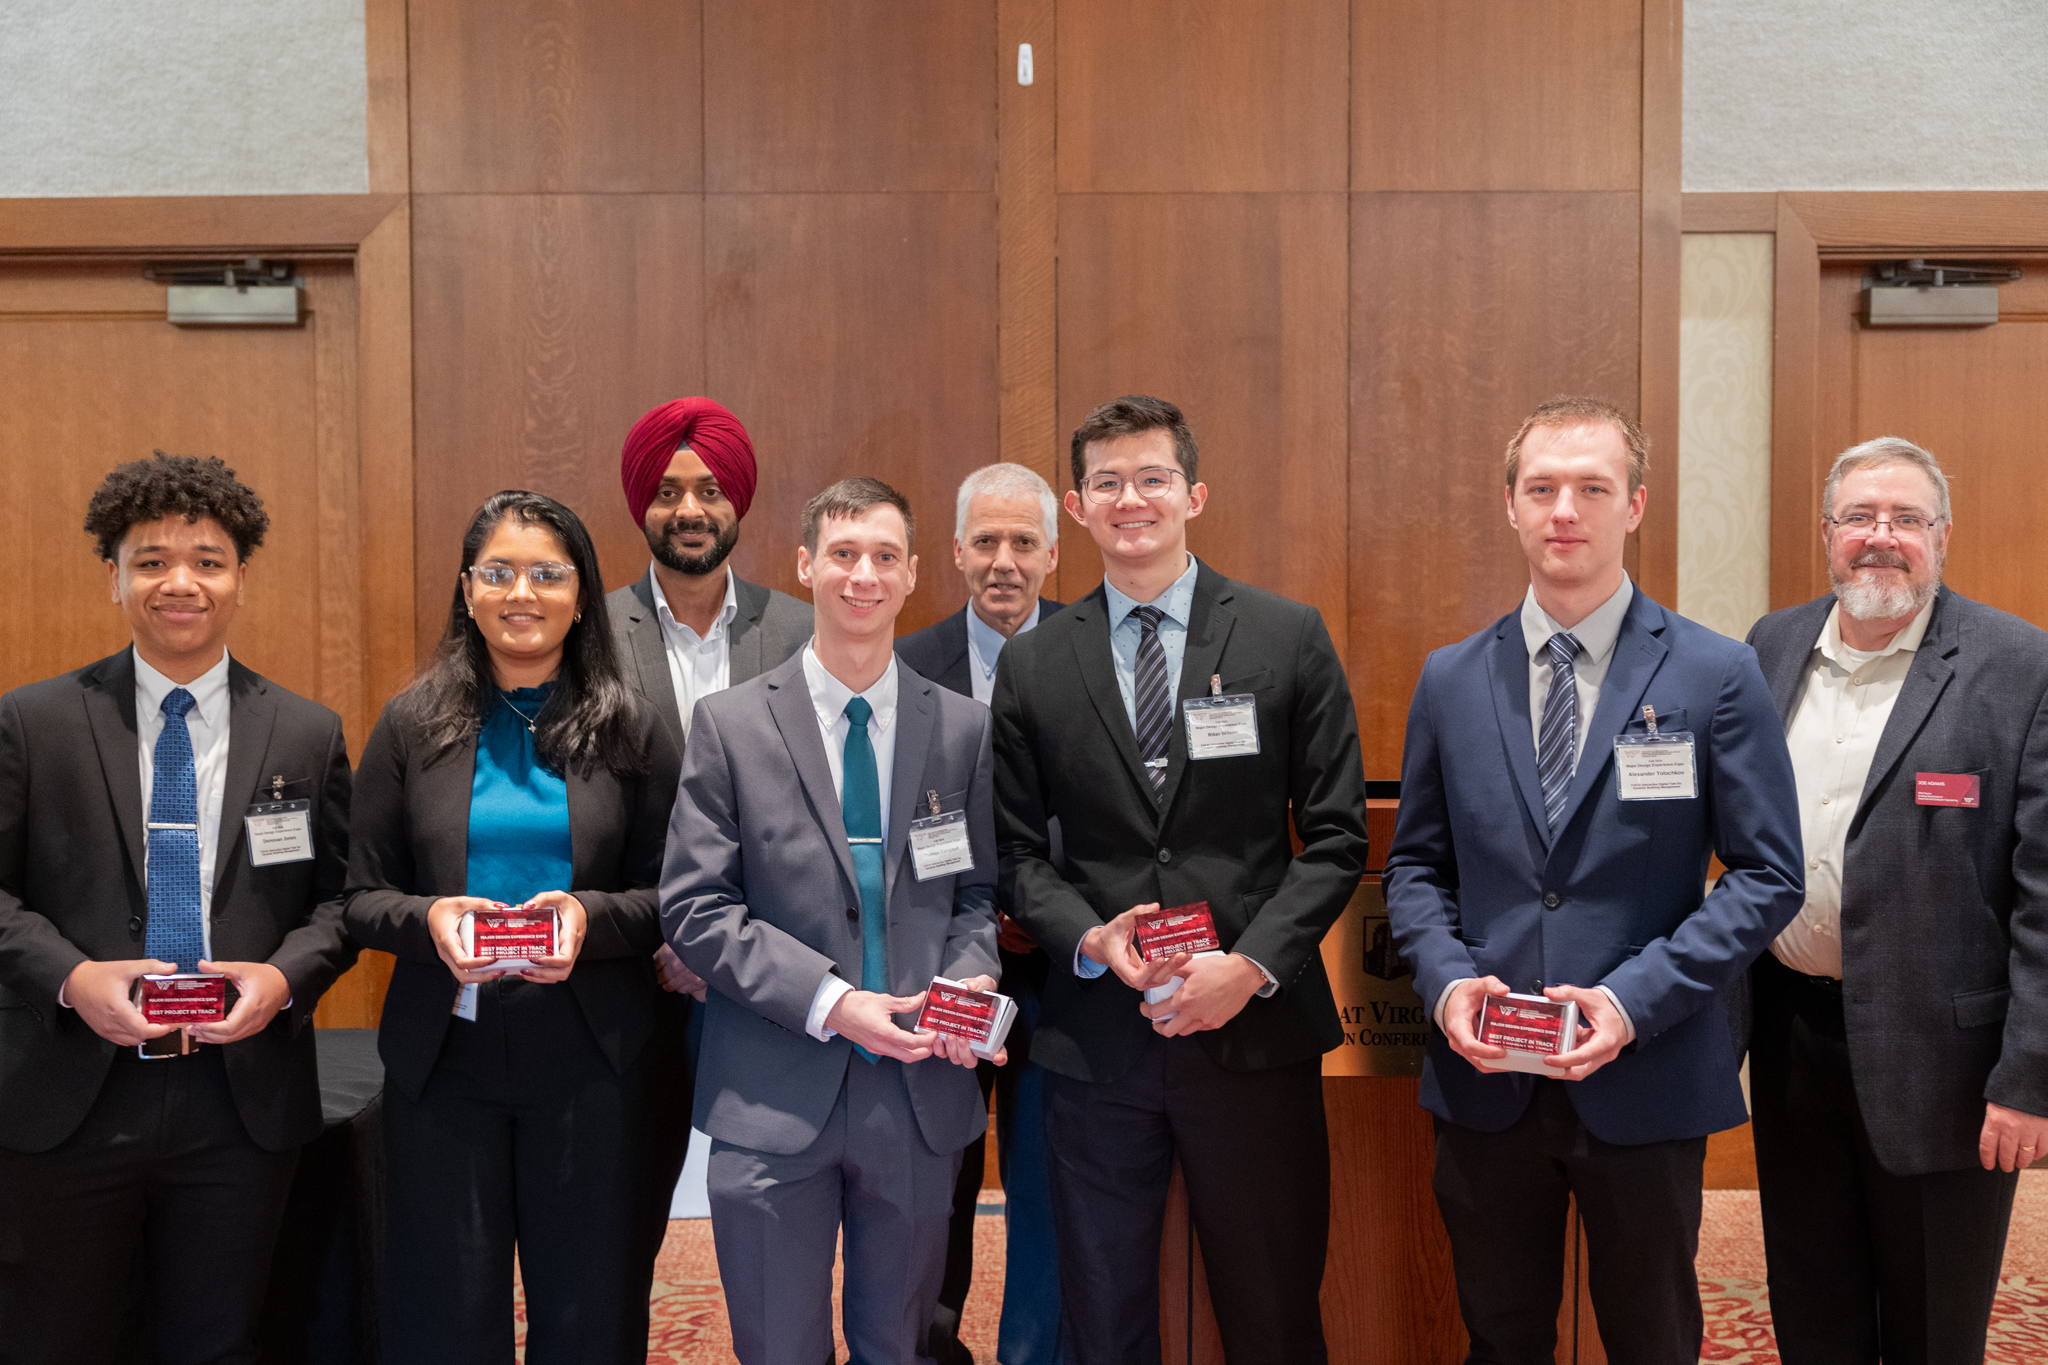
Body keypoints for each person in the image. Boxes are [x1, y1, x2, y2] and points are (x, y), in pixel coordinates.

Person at [1382, 396, 1805, 1364]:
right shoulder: (1450, 678)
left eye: (1590, 488)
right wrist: (1448, 987)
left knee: (1651, 1342)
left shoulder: (1715, 672)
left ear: (1635, 505)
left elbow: (1766, 876)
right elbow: (1414, 867)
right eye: (1541, 488)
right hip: (1486, 1082)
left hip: (1646, 1073)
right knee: (1500, 1338)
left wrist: (1626, 1003)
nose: (1563, 509)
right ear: (1510, 508)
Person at [991, 396, 1369, 1365]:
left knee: (1272, 1311)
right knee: (1103, 1314)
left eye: (1151, 478)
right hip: (1098, 1047)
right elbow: (1018, 855)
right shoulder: (1033, 665)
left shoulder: (1286, 638)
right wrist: (1090, 937)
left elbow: (1332, 839)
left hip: (1253, 1034)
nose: (1131, 499)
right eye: (1106, 483)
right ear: (1076, 508)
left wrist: (1246, 968)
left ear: (1192, 494)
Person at [0, 452, 356, 1364]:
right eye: (151, 559)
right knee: (57, 1340)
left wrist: (282, 977)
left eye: (207, 558)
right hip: (70, 1094)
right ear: (112, 575)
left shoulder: (306, 732)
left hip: (236, 1105)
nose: (180, 581)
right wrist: (73, 978)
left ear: (240, 577)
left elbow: (341, 899)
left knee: (217, 1343)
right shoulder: (32, 723)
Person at [662, 477, 1001, 1365]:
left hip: (918, 1097)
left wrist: (973, 979)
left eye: (885, 557)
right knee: (778, 1345)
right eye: (844, 553)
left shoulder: (961, 729)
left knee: (901, 1342)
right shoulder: (730, 725)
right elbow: (697, 909)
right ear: (806, 563)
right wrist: (831, 1000)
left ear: (915, 573)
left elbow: (973, 898)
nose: (864, 575)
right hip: (774, 1093)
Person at [343, 490, 684, 1364]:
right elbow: (360, 896)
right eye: (497, 571)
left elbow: (675, 895)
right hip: (443, 1060)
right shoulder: (411, 724)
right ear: (466, 589)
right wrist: (431, 918)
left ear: (581, 594)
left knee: (590, 1304)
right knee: (446, 1304)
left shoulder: (633, 726)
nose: (520, 592)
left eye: (546, 572)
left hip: (593, 1060)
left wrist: (587, 914)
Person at [1744, 436, 2048, 1365]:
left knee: (1931, 1328)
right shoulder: (1772, 643)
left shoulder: (2019, 664)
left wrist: (2030, 1076)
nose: (1881, 538)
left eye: (1905, 519)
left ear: (1942, 536)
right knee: (1810, 1305)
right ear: (1826, 533)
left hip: (1946, 1064)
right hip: (1792, 1035)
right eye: (1859, 518)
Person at [896, 461, 1066, 1365]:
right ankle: (929, 1346)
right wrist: (977, 919)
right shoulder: (906, 662)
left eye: (1023, 542)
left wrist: (1050, 913)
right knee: (938, 1183)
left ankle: (1033, 1353)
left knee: (1045, 1184)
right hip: (942, 966)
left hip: (1065, 969)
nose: (1004, 561)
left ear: (1051, 551)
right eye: (986, 541)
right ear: (955, 551)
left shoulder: (1092, 650)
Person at [610, 397, 813, 1012]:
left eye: (711, 490)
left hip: (767, 959)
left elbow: (812, 809)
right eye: (667, 492)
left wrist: (719, 948)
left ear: (738, 502)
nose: (690, 510)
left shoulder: (801, 633)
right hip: (624, 971)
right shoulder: (589, 634)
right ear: (642, 505)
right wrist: (665, 936)